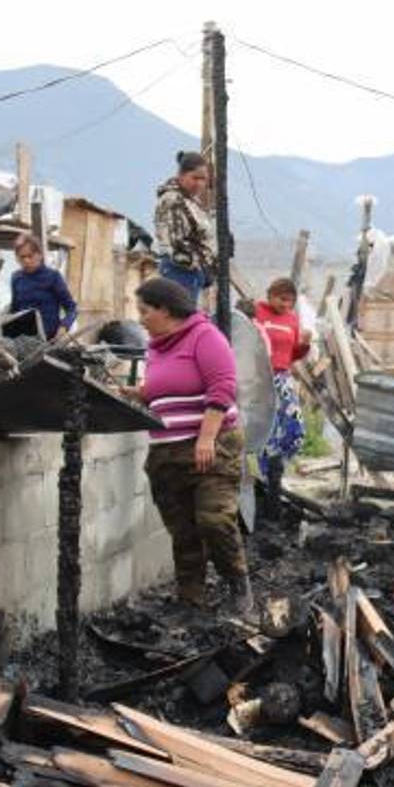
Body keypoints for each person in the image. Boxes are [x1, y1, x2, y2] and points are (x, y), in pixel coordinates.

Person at [132, 276, 252, 616]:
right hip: (166, 451)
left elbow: (222, 385)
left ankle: (238, 583)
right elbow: (162, 389)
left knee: (213, 519)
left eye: (144, 311)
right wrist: (137, 394)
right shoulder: (155, 347)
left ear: (165, 309)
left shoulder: (205, 335)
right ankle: (191, 598)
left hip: (211, 445)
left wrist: (206, 438)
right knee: (182, 529)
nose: (140, 319)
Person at [251, 277, 311, 516]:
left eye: (290, 301)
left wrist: (304, 345)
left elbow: (292, 353)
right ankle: (265, 477)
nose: (285, 304)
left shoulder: (292, 320)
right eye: (281, 299)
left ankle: (276, 467)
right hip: (259, 379)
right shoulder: (256, 313)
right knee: (265, 430)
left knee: (293, 428)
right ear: (270, 295)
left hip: (283, 378)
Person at [152, 152, 215, 304]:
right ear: (181, 175)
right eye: (195, 178)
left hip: (191, 272)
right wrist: (201, 263)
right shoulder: (173, 200)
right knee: (180, 319)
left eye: (203, 179)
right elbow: (177, 243)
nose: (199, 183)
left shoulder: (191, 201)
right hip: (180, 270)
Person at [5, 234, 76, 340]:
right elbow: (15, 309)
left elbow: (72, 308)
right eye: (22, 257)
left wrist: (64, 326)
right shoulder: (16, 278)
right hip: (23, 340)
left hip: (49, 340)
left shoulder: (53, 277)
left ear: (39, 255)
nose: (26, 260)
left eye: (30, 256)